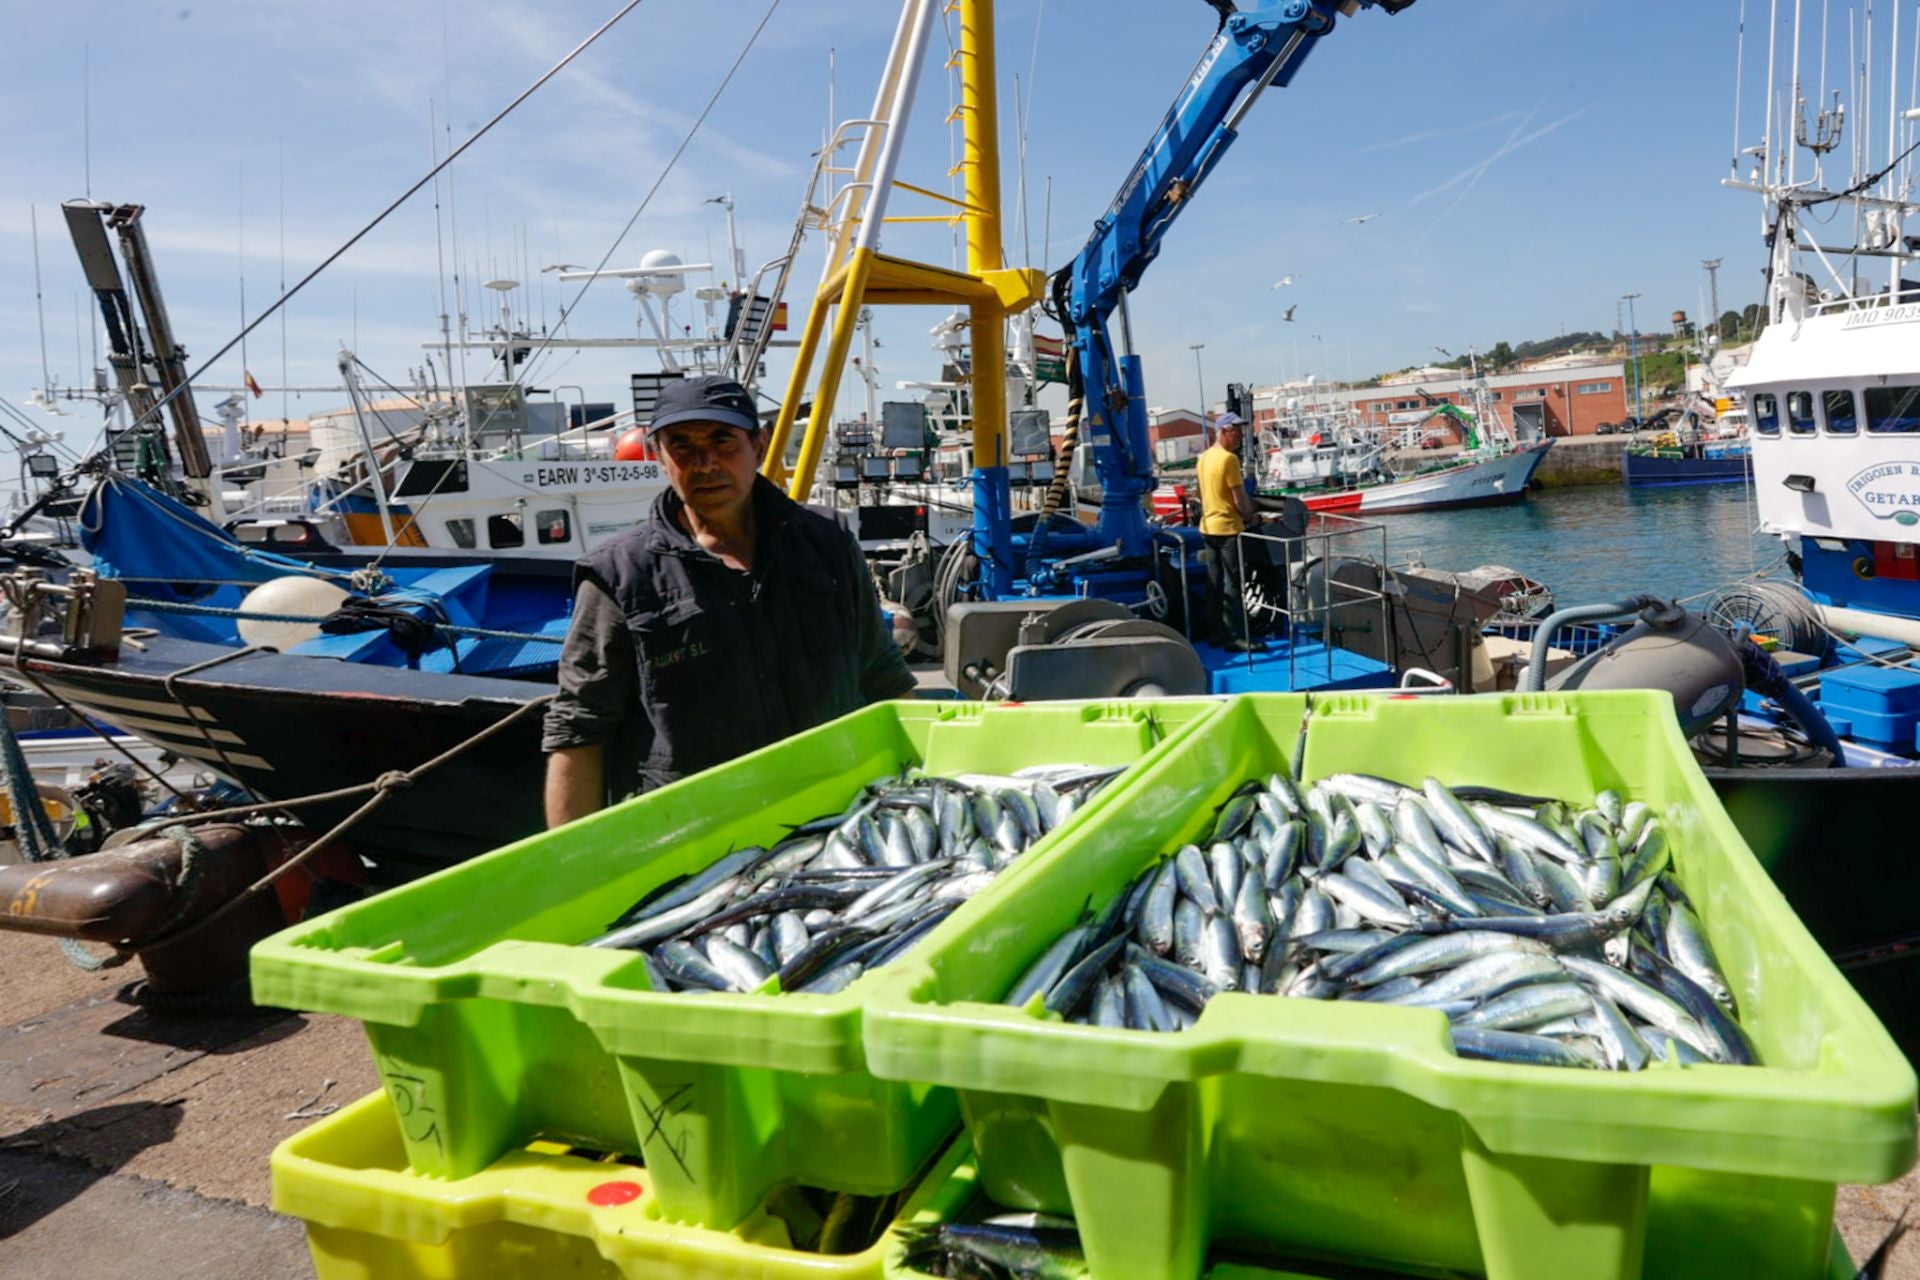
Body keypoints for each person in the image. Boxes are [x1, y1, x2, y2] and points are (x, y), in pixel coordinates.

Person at [542, 375, 916, 825]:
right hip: (691, 830)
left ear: (758, 447)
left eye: (724, 441)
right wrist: (571, 861)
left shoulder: (827, 540)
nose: (705, 462)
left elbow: (882, 675)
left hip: (837, 810)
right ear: (658, 457)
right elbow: (579, 727)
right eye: (681, 445)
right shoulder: (619, 574)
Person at [1195, 411, 1262, 652]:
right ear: (1224, 431)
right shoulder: (1229, 459)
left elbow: (1200, 494)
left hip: (1207, 527)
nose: (1241, 435)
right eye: (1236, 430)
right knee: (1233, 583)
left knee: (1213, 582)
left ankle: (1216, 634)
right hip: (1227, 529)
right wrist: (1251, 517)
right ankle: (1235, 637)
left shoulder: (1203, 458)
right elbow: (1239, 496)